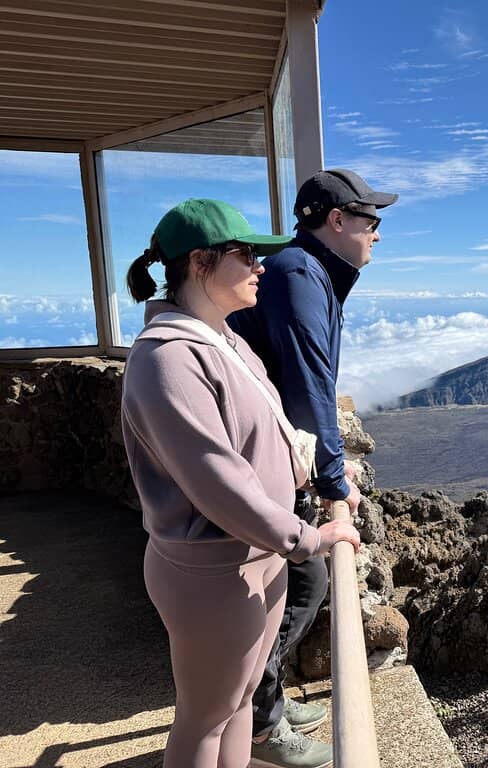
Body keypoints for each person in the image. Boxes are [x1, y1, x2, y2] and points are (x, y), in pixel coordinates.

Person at [121, 198, 361, 768]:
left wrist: (309, 465)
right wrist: (310, 540)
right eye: (246, 254)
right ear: (200, 263)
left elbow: (261, 433)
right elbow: (217, 481)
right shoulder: (167, 361)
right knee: (205, 719)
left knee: (237, 706)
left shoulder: (223, 340)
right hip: (213, 572)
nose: (260, 266)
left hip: (254, 561)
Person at [228, 169, 398, 767]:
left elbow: (311, 385)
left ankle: (264, 700)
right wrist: (334, 481)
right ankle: (260, 724)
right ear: (337, 220)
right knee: (294, 583)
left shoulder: (311, 271)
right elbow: (309, 390)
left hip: (272, 455)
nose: (378, 232)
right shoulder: (301, 276)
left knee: (300, 582)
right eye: (371, 220)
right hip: (261, 461)